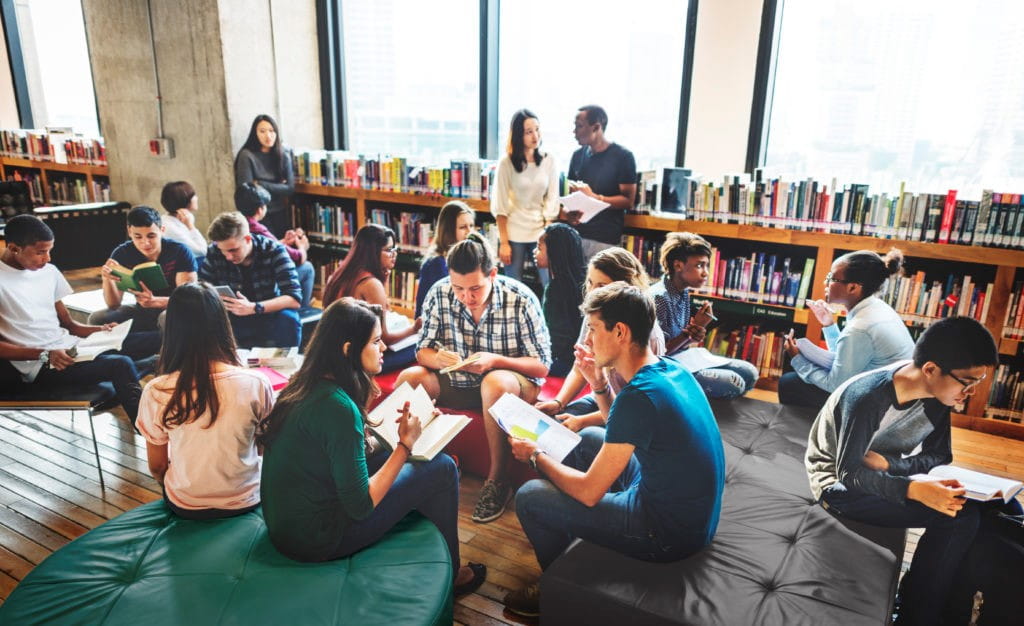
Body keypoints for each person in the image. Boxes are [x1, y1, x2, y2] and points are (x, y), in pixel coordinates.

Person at [503, 282, 726, 617]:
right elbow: (619, 423)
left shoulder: (639, 396)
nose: (587, 340)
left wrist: (535, 455)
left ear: (620, 331)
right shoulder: (668, 368)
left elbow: (591, 492)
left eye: (592, 330)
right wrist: (597, 384)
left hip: (666, 534)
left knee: (530, 496)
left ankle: (561, 586)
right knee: (588, 438)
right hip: (691, 516)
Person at [259, 297, 486, 594]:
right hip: (318, 540)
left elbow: (340, 453)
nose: (384, 348)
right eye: (376, 341)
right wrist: (404, 446)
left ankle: (423, 547)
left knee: (403, 453)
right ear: (348, 349)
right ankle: (452, 576)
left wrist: (402, 437)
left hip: (284, 527)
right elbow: (360, 505)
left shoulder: (302, 384)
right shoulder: (337, 407)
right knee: (441, 468)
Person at [805, 316, 1004, 626]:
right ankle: (916, 614)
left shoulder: (937, 395)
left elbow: (941, 453)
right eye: (968, 382)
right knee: (956, 517)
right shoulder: (869, 397)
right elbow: (850, 475)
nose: (971, 393)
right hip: (835, 486)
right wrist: (914, 489)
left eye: (977, 383)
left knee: (986, 510)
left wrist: (891, 465)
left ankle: (951, 605)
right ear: (930, 370)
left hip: (880, 474)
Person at [396, 238, 551, 523]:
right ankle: (409, 466)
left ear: (493, 274)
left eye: (475, 288)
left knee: (493, 382)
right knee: (410, 378)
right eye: (459, 289)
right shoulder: (439, 292)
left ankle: (497, 481)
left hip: (510, 385)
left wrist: (495, 361)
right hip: (456, 383)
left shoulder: (521, 297)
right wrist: (437, 359)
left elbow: (541, 365)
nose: (467, 297)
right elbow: (422, 351)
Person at [0, 215, 160, 426]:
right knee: (121, 365)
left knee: (159, 338)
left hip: (73, 348)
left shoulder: (48, 272)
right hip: (42, 364)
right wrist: (44, 353)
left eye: (49, 251)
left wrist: (100, 330)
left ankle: (148, 367)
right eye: (40, 252)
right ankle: (150, 432)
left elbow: (70, 325)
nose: (47, 258)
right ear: (13, 248)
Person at [136, 283, 273, 520]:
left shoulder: (156, 390)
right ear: (222, 324)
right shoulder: (256, 382)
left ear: (172, 329)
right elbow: (263, 448)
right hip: (246, 498)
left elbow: (157, 467)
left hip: (186, 502)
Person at [535, 247, 666, 433]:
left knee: (581, 434)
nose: (592, 292)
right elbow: (580, 368)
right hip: (604, 395)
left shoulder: (646, 335)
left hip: (632, 411)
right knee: (555, 423)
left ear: (624, 289)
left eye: (602, 286)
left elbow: (635, 409)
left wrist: (583, 421)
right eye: (589, 283)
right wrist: (558, 402)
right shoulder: (597, 313)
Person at [780, 248, 915, 411]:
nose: (825, 283)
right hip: (890, 393)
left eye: (831, 278)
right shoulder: (876, 307)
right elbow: (846, 358)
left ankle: (822, 433)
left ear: (853, 288)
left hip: (876, 405)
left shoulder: (860, 328)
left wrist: (797, 359)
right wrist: (828, 324)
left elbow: (835, 385)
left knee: (789, 383)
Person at [651, 232, 758, 399]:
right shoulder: (659, 298)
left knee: (749, 373)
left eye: (706, 266)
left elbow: (683, 340)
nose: (706, 273)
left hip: (684, 358)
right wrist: (692, 331)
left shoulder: (683, 291)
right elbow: (656, 354)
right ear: (678, 265)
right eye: (699, 266)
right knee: (733, 383)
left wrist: (695, 333)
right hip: (664, 367)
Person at [322, 224, 421, 371]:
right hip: (356, 360)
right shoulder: (371, 284)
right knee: (420, 347)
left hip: (333, 353)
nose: (394, 254)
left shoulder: (340, 273)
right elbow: (384, 339)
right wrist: (414, 329)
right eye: (388, 250)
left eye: (395, 249)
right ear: (373, 253)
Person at [198, 211, 301, 348]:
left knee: (289, 319)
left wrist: (254, 307)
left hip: (267, 313)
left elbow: (294, 299)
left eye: (233, 250)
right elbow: (201, 289)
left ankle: (285, 365)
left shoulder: (274, 250)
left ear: (247, 239)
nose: (228, 257)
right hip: (231, 317)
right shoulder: (214, 251)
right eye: (223, 251)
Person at [90, 205, 198, 332]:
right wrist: (107, 278)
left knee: (165, 318)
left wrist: (155, 301)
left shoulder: (180, 251)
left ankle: (148, 344)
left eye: (151, 236)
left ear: (162, 230)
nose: (145, 243)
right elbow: (113, 304)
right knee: (97, 318)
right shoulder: (121, 254)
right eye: (138, 236)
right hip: (143, 310)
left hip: (174, 309)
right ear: (129, 232)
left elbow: (189, 299)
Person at [492, 109, 560, 284]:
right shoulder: (506, 163)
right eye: (529, 132)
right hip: (514, 232)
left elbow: (552, 200)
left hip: (540, 231)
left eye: (537, 129)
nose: (535, 136)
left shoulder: (549, 160)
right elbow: (500, 205)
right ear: (518, 135)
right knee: (514, 285)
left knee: (549, 284)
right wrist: (504, 243)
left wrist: (546, 237)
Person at [562, 105, 637, 258]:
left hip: (604, 238)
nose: (575, 131)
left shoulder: (623, 157)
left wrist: (595, 198)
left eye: (579, 126)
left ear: (596, 127)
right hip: (576, 235)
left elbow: (628, 201)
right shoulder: (577, 156)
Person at [234, 183, 315, 311]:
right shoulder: (258, 228)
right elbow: (297, 258)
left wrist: (283, 241)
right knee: (307, 268)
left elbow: (265, 247)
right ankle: (301, 311)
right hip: (267, 282)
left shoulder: (237, 225)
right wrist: (302, 247)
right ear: (260, 209)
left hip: (246, 284)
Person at [533, 223, 586, 377]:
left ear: (555, 252)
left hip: (563, 364)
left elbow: (556, 339)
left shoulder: (556, 289)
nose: (534, 252)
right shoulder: (581, 282)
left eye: (539, 248)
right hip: (576, 360)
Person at [234, 114, 294, 237]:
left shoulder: (283, 154)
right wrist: (278, 186)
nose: (268, 135)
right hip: (258, 214)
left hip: (280, 211)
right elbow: (248, 193)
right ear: (255, 134)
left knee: (285, 246)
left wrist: (261, 184)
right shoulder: (247, 156)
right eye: (262, 131)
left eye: (272, 131)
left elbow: (290, 188)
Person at [416, 201, 475, 317]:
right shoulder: (437, 263)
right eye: (463, 227)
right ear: (449, 231)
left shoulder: (461, 256)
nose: (469, 232)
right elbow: (449, 305)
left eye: (471, 226)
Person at [159, 181, 207, 259]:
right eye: (193, 195)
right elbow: (202, 251)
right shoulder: (170, 227)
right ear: (185, 200)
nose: (196, 198)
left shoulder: (184, 217)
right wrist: (191, 227)